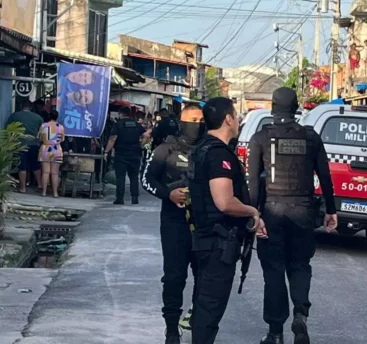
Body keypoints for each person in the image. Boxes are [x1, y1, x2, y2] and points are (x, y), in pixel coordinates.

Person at [247, 87, 338, 344]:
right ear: (296, 107)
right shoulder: (311, 137)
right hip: (303, 211)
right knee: (300, 265)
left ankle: (275, 332)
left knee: (273, 270)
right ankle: (300, 313)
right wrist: (331, 210)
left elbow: (253, 182)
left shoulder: (260, 138)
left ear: (273, 107)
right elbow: (325, 176)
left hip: (272, 211)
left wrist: (255, 216)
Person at [187, 97, 267, 344]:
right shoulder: (217, 154)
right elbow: (224, 202)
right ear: (228, 119)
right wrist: (252, 212)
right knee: (210, 308)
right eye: (235, 115)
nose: (238, 120)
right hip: (217, 242)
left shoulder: (201, 148)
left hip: (204, 238)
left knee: (203, 304)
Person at [142, 104, 208, 343]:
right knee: (174, 277)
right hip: (174, 223)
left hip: (204, 225)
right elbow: (146, 180)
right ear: (181, 123)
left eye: (201, 120)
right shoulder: (165, 149)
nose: (197, 125)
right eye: (192, 120)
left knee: (205, 277)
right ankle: (171, 329)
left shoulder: (210, 149)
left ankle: (198, 322)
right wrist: (168, 194)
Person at [104, 106, 149, 205]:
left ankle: (120, 198)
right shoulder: (136, 125)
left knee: (121, 177)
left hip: (121, 155)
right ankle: (134, 198)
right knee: (134, 177)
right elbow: (146, 135)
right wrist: (141, 145)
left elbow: (112, 139)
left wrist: (106, 151)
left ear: (120, 114)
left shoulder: (118, 125)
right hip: (135, 154)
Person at [7, 101, 44, 193]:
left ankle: (23, 188)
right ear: (31, 107)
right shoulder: (38, 117)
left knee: (22, 166)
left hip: (20, 144)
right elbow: (42, 131)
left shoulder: (14, 116)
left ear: (21, 106)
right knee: (36, 166)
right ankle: (40, 185)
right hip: (34, 144)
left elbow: (8, 129)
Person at [38, 110, 65, 197]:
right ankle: (55, 193)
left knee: (45, 172)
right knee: (55, 173)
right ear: (57, 117)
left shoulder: (43, 125)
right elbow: (62, 139)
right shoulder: (61, 127)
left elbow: (39, 137)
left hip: (45, 148)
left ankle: (44, 192)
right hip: (56, 149)